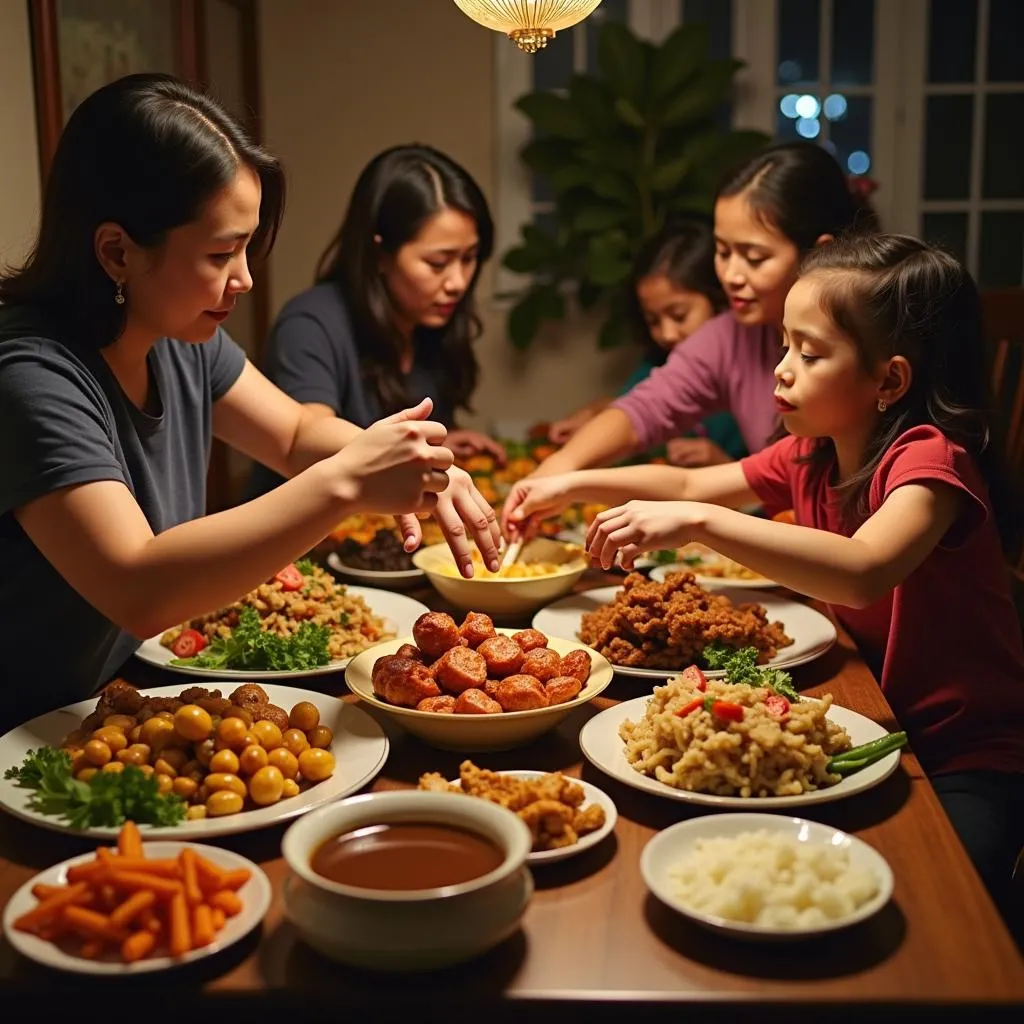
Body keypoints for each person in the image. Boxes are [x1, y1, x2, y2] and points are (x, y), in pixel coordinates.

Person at [506, 233, 1024, 921]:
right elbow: (690, 479)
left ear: (889, 381)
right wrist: (570, 486)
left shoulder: (930, 463)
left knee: (938, 914)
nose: (781, 370)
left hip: (964, 759)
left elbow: (864, 572)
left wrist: (696, 522)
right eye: (785, 345)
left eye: (809, 355)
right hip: (865, 724)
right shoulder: (812, 452)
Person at [0, 74, 501, 729]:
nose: (245, 278)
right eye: (221, 252)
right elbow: (139, 586)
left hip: (114, 698)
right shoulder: (30, 370)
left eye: (247, 246)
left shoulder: (179, 333)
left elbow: (293, 434)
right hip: (22, 733)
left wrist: (414, 461)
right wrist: (348, 482)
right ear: (117, 251)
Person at [501, 141, 875, 534]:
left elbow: (866, 562)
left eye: (754, 257)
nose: (731, 274)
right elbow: (646, 414)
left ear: (817, 255)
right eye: (722, 250)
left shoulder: (875, 350)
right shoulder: (731, 337)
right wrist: (560, 472)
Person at [247, 143, 504, 500]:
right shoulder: (309, 324)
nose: (458, 282)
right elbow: (309, 442)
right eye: (438, 263)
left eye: (470, 258)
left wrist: (444, 444)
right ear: (380, 253)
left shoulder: (430, 323)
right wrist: (415, 458)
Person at [548, 218, 745, 466]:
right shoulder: (659, 361)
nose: (667, 333)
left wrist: (724, 466)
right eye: (653, 320)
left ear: (721, 301)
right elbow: (635, 408)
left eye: (679, 315)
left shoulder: (755, 368)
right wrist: (593, 416)